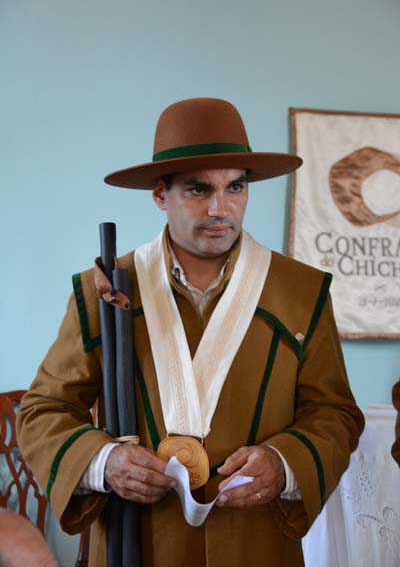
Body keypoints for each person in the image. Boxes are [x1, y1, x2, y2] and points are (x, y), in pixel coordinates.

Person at [17, 97, 364, 567]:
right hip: (136, 541)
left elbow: (335, 413)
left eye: (235, 187)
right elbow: (42, 411)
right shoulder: (104, 288)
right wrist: (105, 463)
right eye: (199, 190)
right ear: (161, 195)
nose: (221, 208)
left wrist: (283, 464)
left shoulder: (302, 292)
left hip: (255, 544)